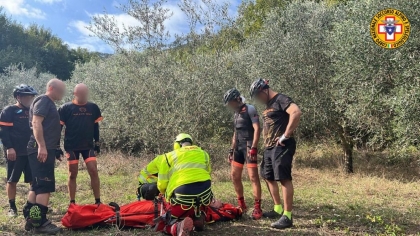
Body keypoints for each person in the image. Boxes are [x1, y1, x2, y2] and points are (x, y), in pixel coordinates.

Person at [249, 78, 302, 229]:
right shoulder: (268, 105)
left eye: (258, 95)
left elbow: (296, 112)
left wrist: (286, 135)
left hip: (282, 145)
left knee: (283, 178)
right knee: (267, 176)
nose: (258, 99)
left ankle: (287, 216)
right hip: (269, 148)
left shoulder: (281, 99)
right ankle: (277, 207)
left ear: (264, 90)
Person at [26, 78, 66, 234]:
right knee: (44, 185)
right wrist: (42, 146)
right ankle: (41, 223)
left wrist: (55, 149)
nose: (63, 93)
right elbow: (36, 123)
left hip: (44, 148)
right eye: (60, 90)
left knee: (37, 185)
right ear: (51, 88)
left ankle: (31, 220)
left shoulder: (49, 103)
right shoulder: (43, 100)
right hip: (39, 148)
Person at [154, 133, 212, 236]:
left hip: (182, 194)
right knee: (203, 195)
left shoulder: (168, 157)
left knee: (164, 222)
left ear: (177, 144)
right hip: (205, 192)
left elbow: (162, 184)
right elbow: (208, 173)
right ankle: (198, 216)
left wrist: (164, 195)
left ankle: (176, 228)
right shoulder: (204, 154)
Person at [58, 83, 103, 205]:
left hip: (88, 146)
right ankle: (72, 202)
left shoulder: (93, 107)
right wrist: (57, 146)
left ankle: (98, 201)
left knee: (93, 171)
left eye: (85, 93)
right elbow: (59, 128)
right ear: (75, 94)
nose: (84, 96)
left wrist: (97, 143)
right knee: (73, 174)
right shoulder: (65, 108)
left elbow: (95, 127)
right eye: (81, 93)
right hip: (71, 146)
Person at [223, 88, 263, 220]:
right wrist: (231, 149)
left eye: (230, 103)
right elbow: (235, 133)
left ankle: (257, 207)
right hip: (238, 148)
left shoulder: (250, 109)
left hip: (249, 145)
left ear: (236, 99)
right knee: (234, 176)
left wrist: (254, 147)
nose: (230, 106)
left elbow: (257, 129)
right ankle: (242, 205)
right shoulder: (236, 113)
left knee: (253, 177)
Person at [0, 85, 38, 217]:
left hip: (31, 151)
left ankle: (33, 205)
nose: (30, 99)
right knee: (12, 180)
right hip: (15, 152)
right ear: (18, 97)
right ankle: (12, 207)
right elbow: (4, 132)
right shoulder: (9, 110)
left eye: (31, 96)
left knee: (33, 179)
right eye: (27, 96)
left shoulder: (32, 110)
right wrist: (9, 148)